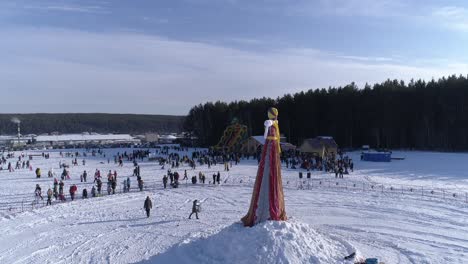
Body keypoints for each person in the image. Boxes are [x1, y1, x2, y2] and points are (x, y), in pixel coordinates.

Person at [241, 107, 287, 227]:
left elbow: (270, 127)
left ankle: (267, 210)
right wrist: (268, 124)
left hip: (271, 151)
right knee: (269, 175)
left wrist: (269, 123)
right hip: (270, 150)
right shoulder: (273, 124)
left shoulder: (274, 124)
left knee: (270, 175)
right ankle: (265, 210)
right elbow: (268, 128)